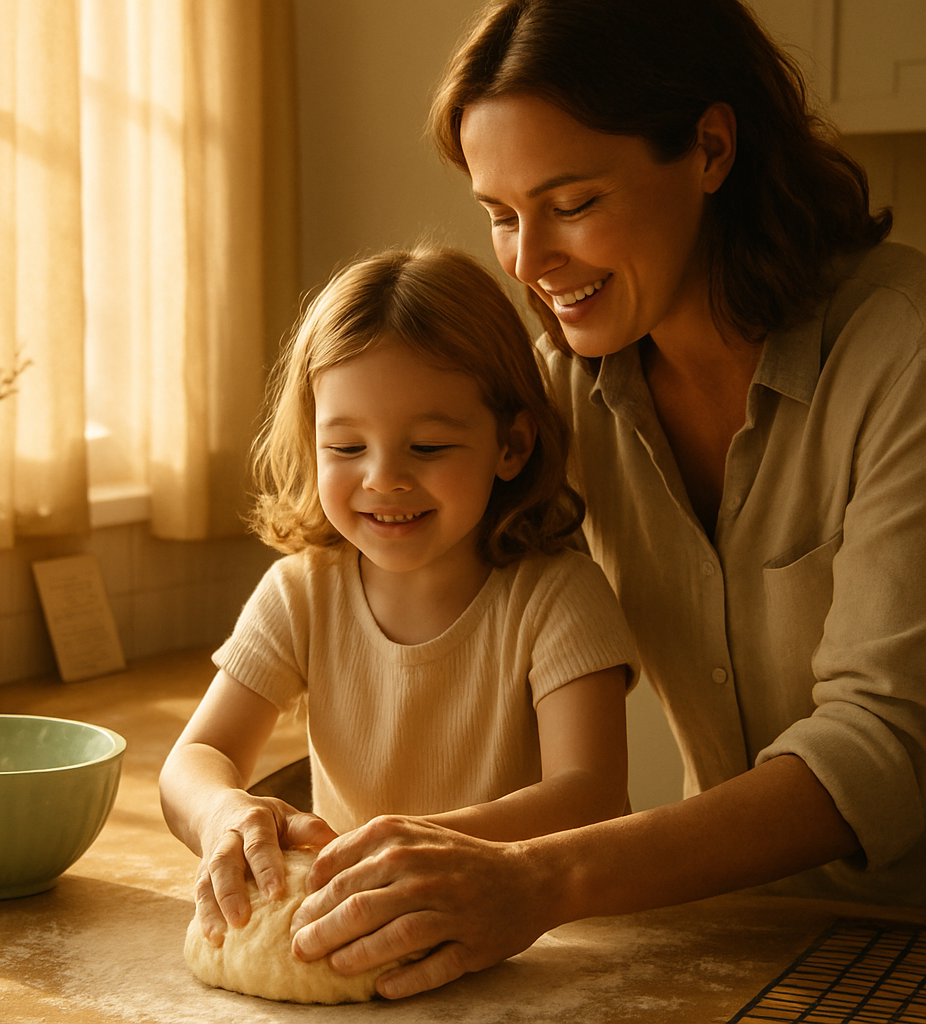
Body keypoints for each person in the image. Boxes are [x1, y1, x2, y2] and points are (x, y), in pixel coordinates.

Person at [285, 0, 926, 1000]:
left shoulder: (903, 354)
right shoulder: (569, 393)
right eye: (502, 214)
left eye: (571, 202)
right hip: (740, 934)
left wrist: (537, 876)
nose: (530, 265)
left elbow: (883, 744)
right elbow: (448, 576)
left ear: (711, 148)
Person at [159, 244, 637, 946]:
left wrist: (416, 847)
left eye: (429, 447)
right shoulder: (302, 593)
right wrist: (223, 812)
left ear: (511, 445)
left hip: (547, 945)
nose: (383, 479)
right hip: (375, 935)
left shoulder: (558, 598)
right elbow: (191, 761)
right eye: (347, 448)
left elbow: (588, 795)